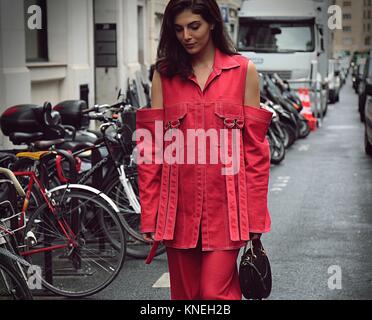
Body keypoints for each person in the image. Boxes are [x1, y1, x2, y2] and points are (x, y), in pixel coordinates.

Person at [136, 0, 272, 300]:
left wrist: (256, 217)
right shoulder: (164, 74)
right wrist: (150, 213)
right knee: (186, 297)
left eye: (194, 26)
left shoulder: (243, 71)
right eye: (179, 28)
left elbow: (256, 152)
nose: (186, 35)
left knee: (214, 294)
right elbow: (150, 148)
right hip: (177, 212)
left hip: (228, 210)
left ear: (212, 23)